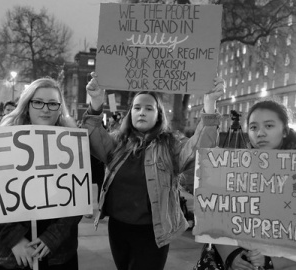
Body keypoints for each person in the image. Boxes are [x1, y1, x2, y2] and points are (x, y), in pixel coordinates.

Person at [82, 72, 224, 270]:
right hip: (118, 229)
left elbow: (199, 150)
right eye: (137, 108)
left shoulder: (170, 144)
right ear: (130, 113)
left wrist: (209, 105)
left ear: (158, 115)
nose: (142, 112)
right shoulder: (118, 142)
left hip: (152, 233)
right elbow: (93, 138)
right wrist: (96, 103)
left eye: (149, 108)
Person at [0, 77, 82, 270]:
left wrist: (53, 237)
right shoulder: (1, 140)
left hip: (55, 252)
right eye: (38, 102)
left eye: (52, 103)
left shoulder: (71, 143)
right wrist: (14, 239)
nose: (45, 108)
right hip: (8, 253)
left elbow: (78, 195)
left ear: (60, 108)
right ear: (27, 106)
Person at [217, 100, 296, 270]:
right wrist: (231, 255)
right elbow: (214, 218)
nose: (260, 133)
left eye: (269, 126)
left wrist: (270, 261)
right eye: (253, 127)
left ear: (285, 131)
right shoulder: (233, 169)